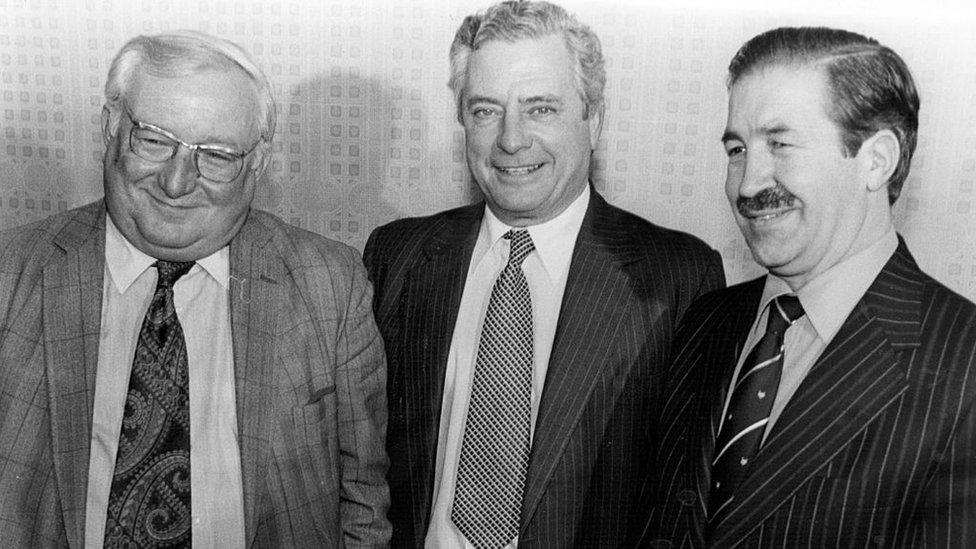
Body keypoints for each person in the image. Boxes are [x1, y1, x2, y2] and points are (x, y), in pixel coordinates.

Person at [0, 31, 391, 547]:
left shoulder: (331, 284)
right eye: (155, 140)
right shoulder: (12, 274)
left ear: (257, 163)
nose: (178, 182)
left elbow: (362, 501)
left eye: (217, 155)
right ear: (109, 128)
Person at [363, 1, 724, 546]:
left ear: (594, 119)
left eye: (541, 109)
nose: (511, 140)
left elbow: (682, 505)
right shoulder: (398, 255)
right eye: (486, 110)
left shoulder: (676, 277)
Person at [639, 27, 976, 546]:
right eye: (736, 149)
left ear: (875, 160)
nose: (748, 184)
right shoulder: (706, 320)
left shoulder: (964, 362)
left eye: (780, 143)